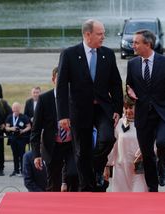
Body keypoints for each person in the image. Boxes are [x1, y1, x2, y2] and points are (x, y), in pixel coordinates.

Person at [56, 19, 123, 192]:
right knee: (81, 151)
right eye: (100, 34)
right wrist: (63, 115)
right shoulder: (69, 54)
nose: (103, 37)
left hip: (102, 108)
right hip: (79, 110)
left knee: (108, 138)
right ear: (87, 35)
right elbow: (61, 86)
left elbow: (115, 83)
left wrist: (117, 108)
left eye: (103, 33)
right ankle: (87, 187)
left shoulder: (107, 54)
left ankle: (97, 168)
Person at [126, 29, 165, 192]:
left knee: (163, 142)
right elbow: (129, 87)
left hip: (163, 113)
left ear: (148, 44)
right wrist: (129, 93)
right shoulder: (132, 64)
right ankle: (153, 189)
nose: (133, 45)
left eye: (136, 42)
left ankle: (162, 164)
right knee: (147, 153)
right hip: (143, 115)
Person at [32, 67, 79, 192]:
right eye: (60, 79)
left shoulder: (75, 98)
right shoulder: (44, 99)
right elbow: (36, 129)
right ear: (53, 79)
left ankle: (73, 205)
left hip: (71, 144)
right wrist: (36, 154)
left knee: (73, 174)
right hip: (52, 146)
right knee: (54, 181)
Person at [104, 95, 147, 192]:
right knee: (121, 201)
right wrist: (107, 165)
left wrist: (143, 151)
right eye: (126, 108)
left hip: (139, 169)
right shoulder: (119, 123)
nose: (128, 111)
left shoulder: (145, 123)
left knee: (139, 198)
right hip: (121, 169)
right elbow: (112, 146)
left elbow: (152, 142)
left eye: (131, 107)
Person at [5, 102, 31, 177]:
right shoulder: (9, 117)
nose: (16, 110)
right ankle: (15, 170)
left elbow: (29, 127)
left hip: (21, 139)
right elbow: (6, 128)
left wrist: (23, 131)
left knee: (22, 154)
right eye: (14, 109)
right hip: (13, 139)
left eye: (17, 109)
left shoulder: (24, 117)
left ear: (20, 109)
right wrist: (11, 128)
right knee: (15, 154)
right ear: (12, 109)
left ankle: (23, 170)